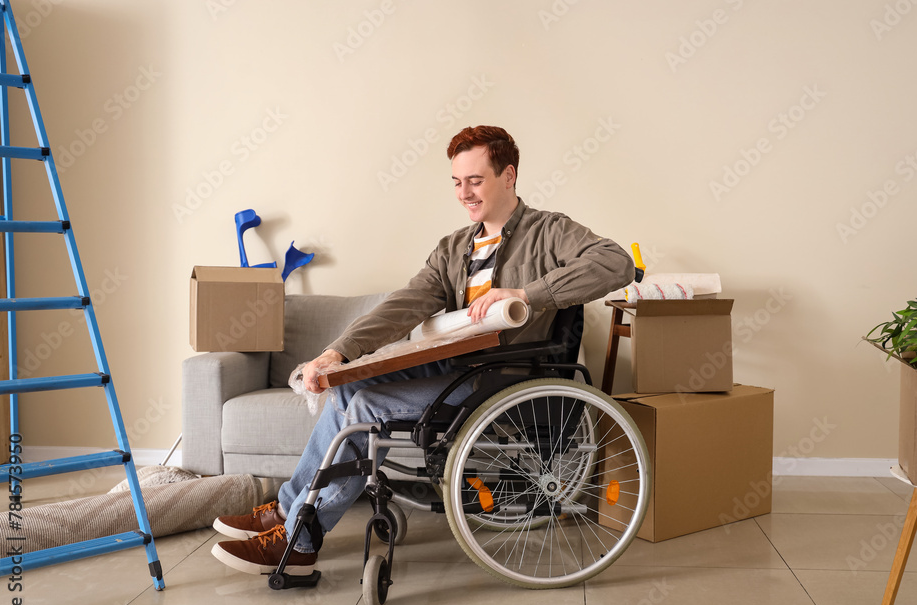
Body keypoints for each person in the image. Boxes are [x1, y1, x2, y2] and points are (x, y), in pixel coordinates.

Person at [210, 125, 633, 575]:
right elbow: (403, 305)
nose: (464, 193)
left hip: (505, 378)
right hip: (455, 368)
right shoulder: (454, 248)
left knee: (368, 406)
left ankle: (301, 539)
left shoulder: (549, 232)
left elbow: (616, 263)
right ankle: (290, 512)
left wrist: (528, 294)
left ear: (508, 176)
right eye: (457, 182)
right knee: (348, 389)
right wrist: (338, 353)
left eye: (476, 180)